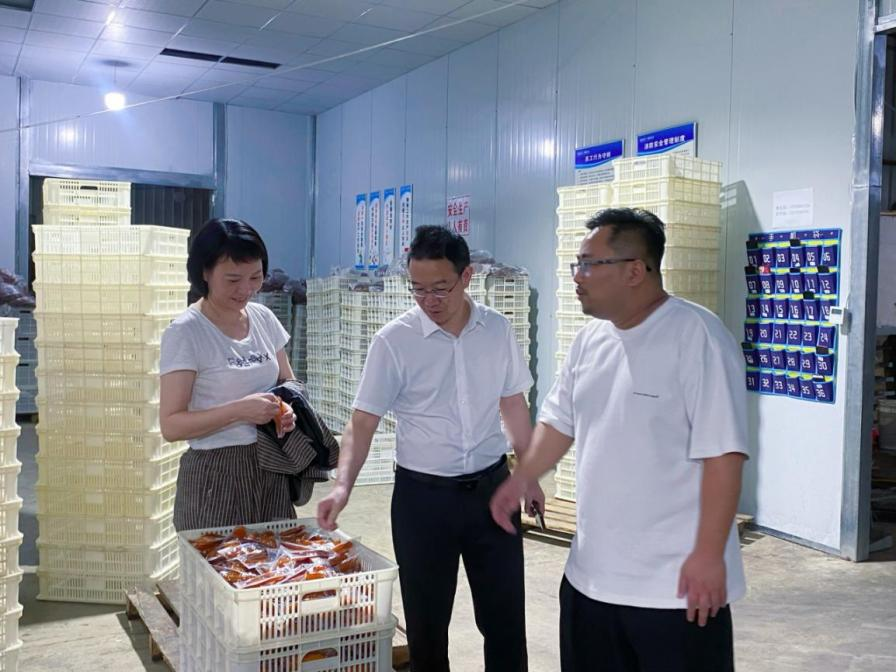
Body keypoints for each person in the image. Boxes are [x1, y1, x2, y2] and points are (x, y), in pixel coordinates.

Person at [491, 207, 748, 672]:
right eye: (577, 263)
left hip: (675, 589)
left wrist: (710, 555)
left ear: (635, 271)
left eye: (590, 264)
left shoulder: (698, 337)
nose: (578, 276)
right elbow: (559, 423)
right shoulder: (590, 340)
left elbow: (724, 454)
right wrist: (522, 477)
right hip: (590, 579)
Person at [317, 225, 542, 672]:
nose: (429, 300)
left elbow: (513, 403)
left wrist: (529, 474)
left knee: (504, 621)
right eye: (417, 289)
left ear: (466, 276)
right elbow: (363, 422)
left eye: (440, 288)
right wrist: (342, 487)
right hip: (423, 501)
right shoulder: (394, 341)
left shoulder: (496, 330)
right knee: (427, 628)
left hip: (493, 494)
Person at [159, 218, 298, 532]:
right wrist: (239, 411)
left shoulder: (263, 318)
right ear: (205, 273)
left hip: (272, 466)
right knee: (220, 558)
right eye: (233, 279)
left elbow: (288, 383)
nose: (246, 289)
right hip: (215, 474)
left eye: (255, 277)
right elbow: (171, 425)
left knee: (274, 557)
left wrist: (287, 408)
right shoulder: (186, 332)